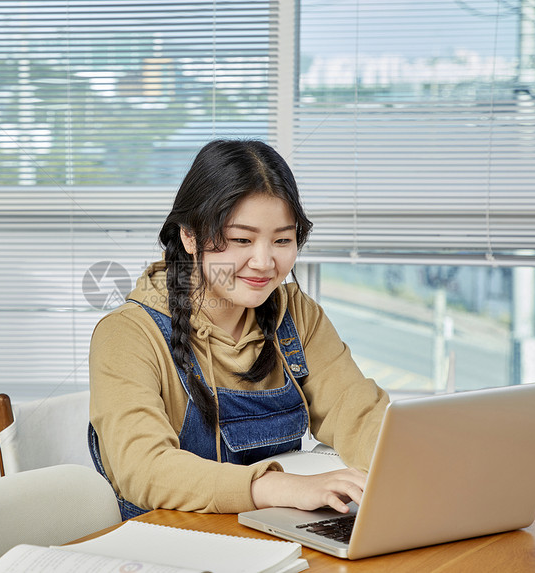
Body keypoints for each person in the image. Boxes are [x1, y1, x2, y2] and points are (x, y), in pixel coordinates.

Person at [88, 139, 389, 520]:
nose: (264, 262)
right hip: (174, 545)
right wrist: (281, 487)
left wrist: (403, 466)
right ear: (190, 236)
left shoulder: (297, 313)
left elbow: (359, 414)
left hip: (277, 532)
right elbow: (143, 468)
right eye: (241, 240)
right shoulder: (127, 334)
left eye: (282, 239)